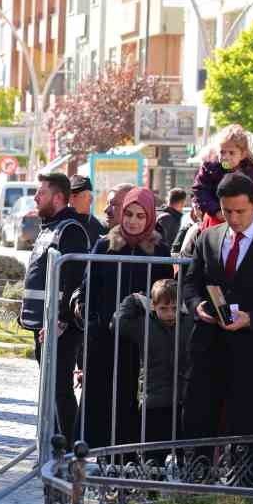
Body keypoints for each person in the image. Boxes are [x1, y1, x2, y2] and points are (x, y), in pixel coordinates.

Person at [180, 172, 253, 477]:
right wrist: (199, 307)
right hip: (208, 344)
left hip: (251, 348)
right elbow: (190, 285)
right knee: (200, 415)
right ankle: (196, 480)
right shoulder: (208, 237)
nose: (233, 218)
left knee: (246, 420)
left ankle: (242, 485)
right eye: (227, 211)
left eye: (240, 211)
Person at [81, 187, 160, 452]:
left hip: (141, 341)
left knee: (131, 398)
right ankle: (96, 454)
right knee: (100, 397)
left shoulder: (158, 249)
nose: (133, 221)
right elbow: (89, 288)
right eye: (128, 214)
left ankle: (127, 456)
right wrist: (91, 323)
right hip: (104, 337)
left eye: (140, 215)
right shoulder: (105, 245)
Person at [20, 173, 92, 444]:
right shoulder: (49, 227)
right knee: (51, 389)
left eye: (42, 192)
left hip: (59, 326)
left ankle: (72, 449)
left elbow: (73, 278)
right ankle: (54, 445)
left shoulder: (70, 229)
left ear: (59, 197)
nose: (36, 197)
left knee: (60, 389)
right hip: (43, 324)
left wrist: (59, 319)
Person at [116, 277, 192, 460]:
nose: (169, 314)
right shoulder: (144, 324)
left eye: (174, 308)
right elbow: (118, 323)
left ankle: (182, 487)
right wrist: (131, 300)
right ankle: (151, 487)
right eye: (163, 309)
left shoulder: (187, 323)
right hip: (153, 400)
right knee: (153, 456)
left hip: (182, 399)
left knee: (184, 454)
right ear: (153, 306)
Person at [191, 125, 253, 222]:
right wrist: (216, 211)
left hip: (244, 220)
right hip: (217, 218)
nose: (226, 157)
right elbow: (200, 189)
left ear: (243, 155)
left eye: (231, 153)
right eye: (222, 152)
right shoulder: (210, 169)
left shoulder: (251, 172)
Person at [68, 175, 105, 241]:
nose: (70, 200)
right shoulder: (63, 223)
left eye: (75, 196)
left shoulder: (99, 228)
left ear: (90, 199)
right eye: (68, 196)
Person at [155, 189, 187, 253]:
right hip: (165, 259)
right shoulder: (167, 218)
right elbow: (164, 243)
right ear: (182, 202)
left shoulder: (164, 215)